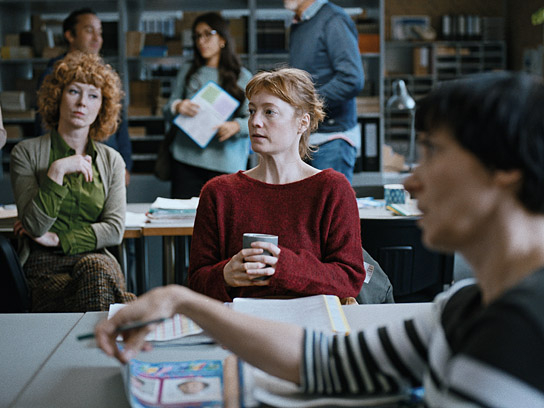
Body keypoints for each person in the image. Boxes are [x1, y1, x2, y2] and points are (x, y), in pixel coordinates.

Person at [96, 71, 544, 407]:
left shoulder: (521, 331)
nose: (410, 181)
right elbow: (328, 361)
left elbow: (344, 288)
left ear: (504, 168)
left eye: (432, 153)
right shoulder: (461, 308)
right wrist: (181, 300)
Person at [187, 67, 365, 301]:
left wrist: (283, 267)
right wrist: (224, 276)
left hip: (309, 328)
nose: (255, 122)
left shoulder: (332, 189)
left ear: (302, 123)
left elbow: (349, 279)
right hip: (238, 329)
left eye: (269, 112)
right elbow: (196, 282)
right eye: (252, 111)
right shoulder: (219, 192)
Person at [11, 51, 136, 312]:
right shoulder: (25, 153)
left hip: (97, 257)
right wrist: (56, 171)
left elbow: (114, 229)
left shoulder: (112, 160)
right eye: (74, 92)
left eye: (93, 96)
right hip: (44, 265)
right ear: (57, 96)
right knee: (99, 285)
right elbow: (34, 225)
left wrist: (59, 239)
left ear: (102, 106)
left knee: (95, 270)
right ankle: (119, 325)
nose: (82, 103)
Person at [35, 8, 133, 186]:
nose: (97, 38)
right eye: (89, 30)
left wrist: (125, 164)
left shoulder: (106, 75)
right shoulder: (54, 74)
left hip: (106, 167)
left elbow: (120, 123)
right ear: (70, 36)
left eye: (100, 32)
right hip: (69, 168)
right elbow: (45, 125)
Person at [164, 12, 252, 199]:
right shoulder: (188, 71)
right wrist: (178, 107)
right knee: (183, 223)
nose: (201, 41)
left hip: (226, 163)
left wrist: (236, 126)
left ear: (222, 38)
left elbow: (255, 118)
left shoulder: (243, 77)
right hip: (186, 160)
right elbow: (167, 109)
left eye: (207, 34)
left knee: (224, 223)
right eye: (197, 36)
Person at [284, 0, 364, 183]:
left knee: (330, 210)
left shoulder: (334, 20)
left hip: (331, 141)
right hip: (307, 139)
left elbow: (351, 79)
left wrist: (303, 104)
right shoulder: (300, 24)